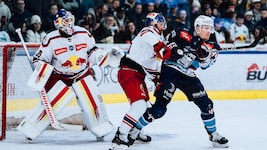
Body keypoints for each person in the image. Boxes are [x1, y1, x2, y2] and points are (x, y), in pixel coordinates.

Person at [134, 15, 229, 148]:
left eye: (211, 28)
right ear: (197, 28)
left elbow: (205, 66)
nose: (209, 31)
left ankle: (214, 135)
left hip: (188, 75)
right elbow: (166, 42)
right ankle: (135, 130)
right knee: (159, 110)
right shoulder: (183, 32)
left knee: (207, 105)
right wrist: (175, 49)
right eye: (206, 28)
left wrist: (205, 57)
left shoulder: (212, 46)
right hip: (170, 70)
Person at [31, 9, 119, 139]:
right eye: (66, 21)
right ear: (58, 23)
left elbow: (92, 52)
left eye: (70, 20)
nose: (69, 24)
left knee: (92, 102)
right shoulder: (50, 38)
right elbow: (38, 59)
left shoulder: (83, 33)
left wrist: (104, 56)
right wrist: (41, 69)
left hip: (81, 74)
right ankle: (31, 128)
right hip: (60, 77)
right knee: (50, 105)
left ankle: (100, 128)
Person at [109, 12, 169, 150]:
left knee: (147, 109)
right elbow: (160, 49)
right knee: (139, 106)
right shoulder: (148, 31)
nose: (162, 24)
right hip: (129, 71)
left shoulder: (156, 37)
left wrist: (160, 79)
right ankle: (120, 136)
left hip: (136, 74)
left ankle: (135, 131)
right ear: (153, 23)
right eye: (159, 21)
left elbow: (153, 66)